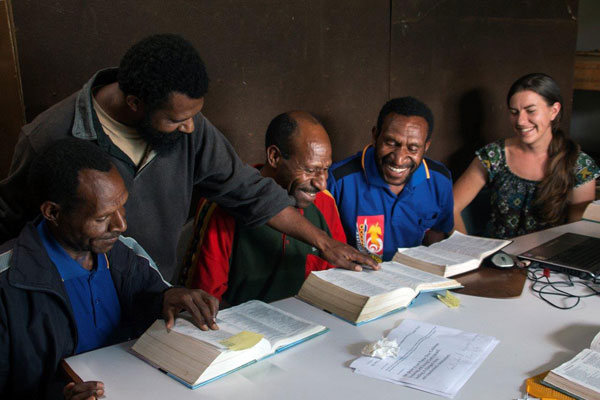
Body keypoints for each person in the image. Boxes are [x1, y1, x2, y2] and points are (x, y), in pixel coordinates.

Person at [0, 34, 377, 281]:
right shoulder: (49, 136)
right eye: (177, 120)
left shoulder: (187, 121)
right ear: (136, 104)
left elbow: (249, 191)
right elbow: (12, 228)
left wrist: (324, 243)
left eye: (194, 116)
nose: (190, 129)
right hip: (77, 298)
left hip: (154, 291)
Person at [0, 139, 220, 400]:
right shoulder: (9, 281)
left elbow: (147, 296)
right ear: (53, 212)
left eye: (122, 207)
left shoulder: (123, 253)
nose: (121, 225)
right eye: (102, 217)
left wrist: (166, 298)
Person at [179, 111, 346, 306]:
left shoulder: (324, 202)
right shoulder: (223, 205)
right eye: (309, 170)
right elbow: (205, 299)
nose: (321, 184)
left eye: (325, 169)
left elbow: (332, 279)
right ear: (274, 157)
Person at [453, 73, 599, 239]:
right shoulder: (494, 155)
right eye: (514, 112)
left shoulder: (579, 165)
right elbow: (451, 207)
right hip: (496, 259)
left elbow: (578, 233)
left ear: (554, 111)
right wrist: (467, 252)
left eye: (530, 111)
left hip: (548, 260)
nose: (521, 121)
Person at [328, 97, 453, 262]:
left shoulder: (439, 180)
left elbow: (437, 236)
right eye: (391, 143)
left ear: (426, 146)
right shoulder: (338, 180)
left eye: (412, 148)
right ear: (375, 136)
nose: (399, 159)